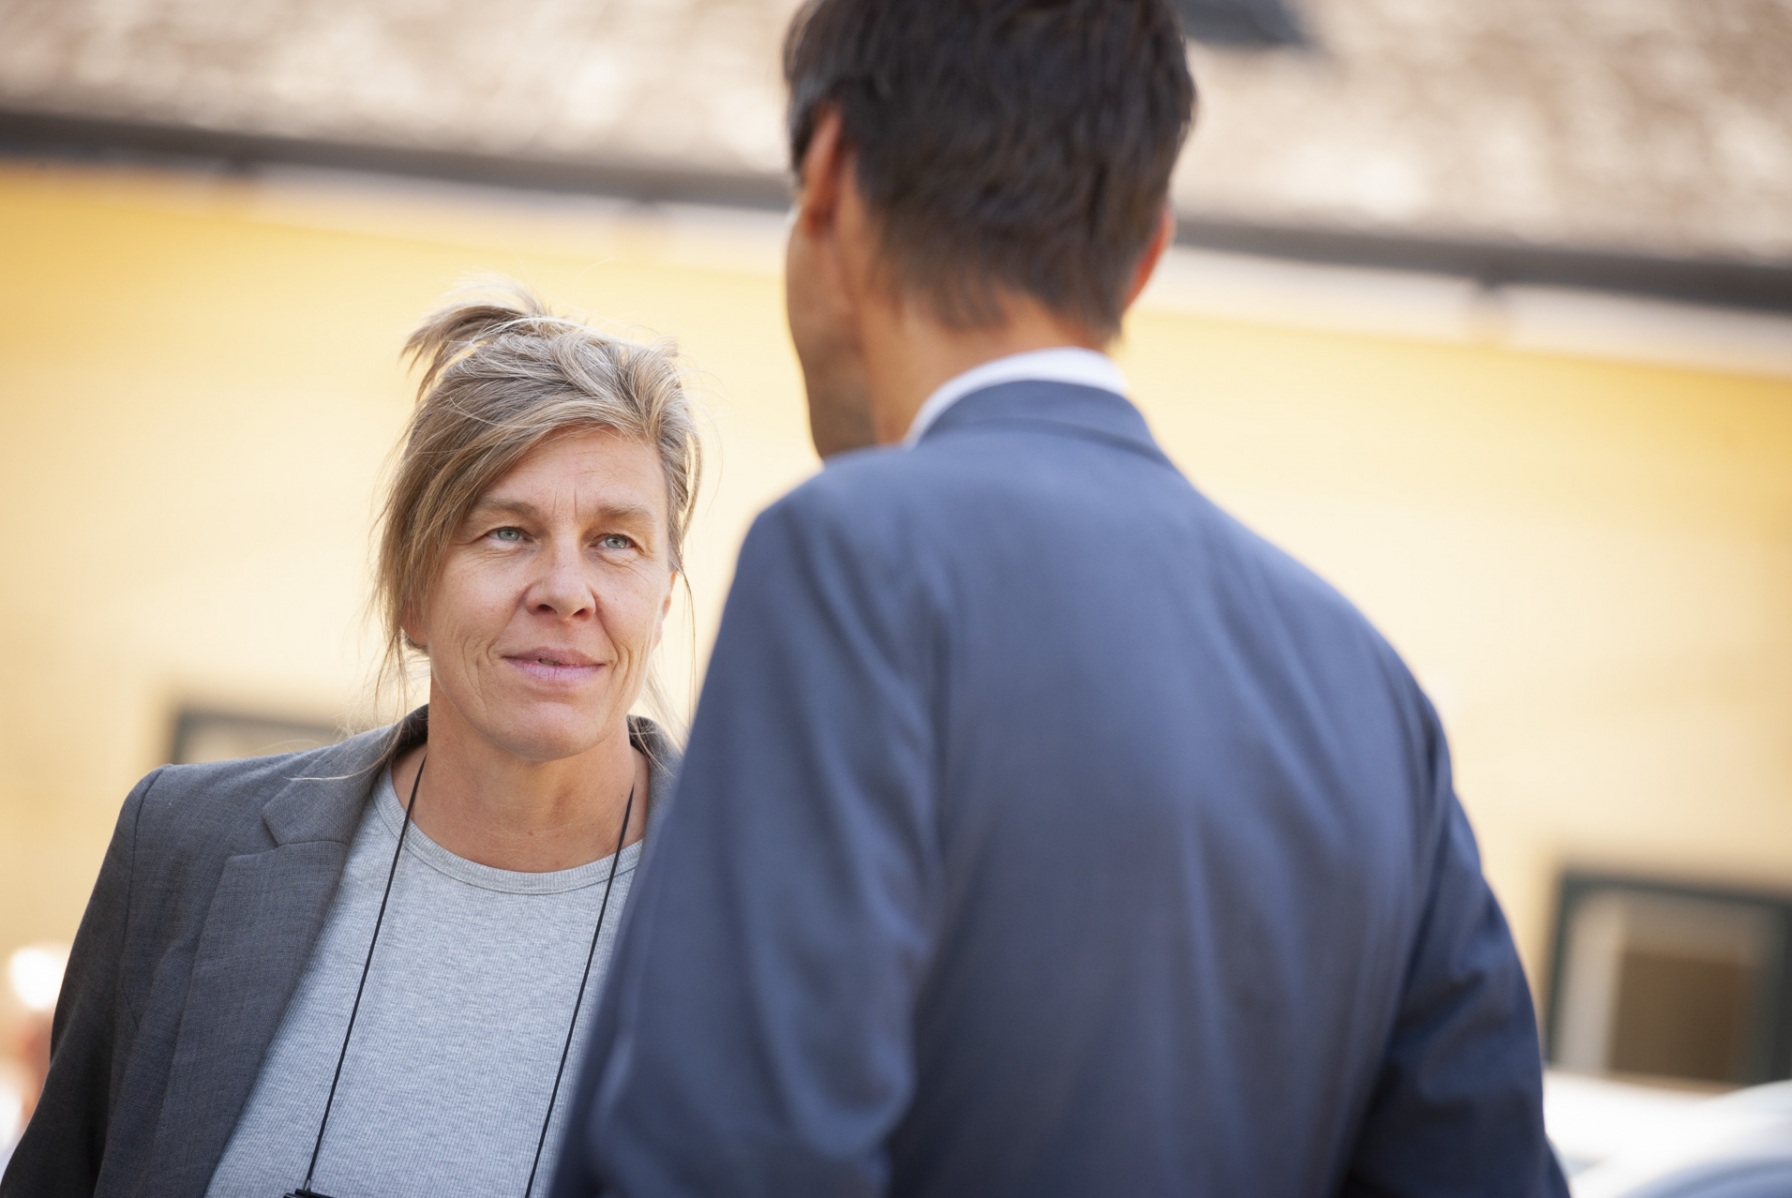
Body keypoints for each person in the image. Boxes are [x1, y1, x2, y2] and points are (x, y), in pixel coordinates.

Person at [553, 2, 1568, 1196]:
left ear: (827, 175)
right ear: (1146, 251)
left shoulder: (854, 559)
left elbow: (728, 1161)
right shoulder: (1371, 689)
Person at [1, 284, 702, 1197]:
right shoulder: (182, 848)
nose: (565, 590)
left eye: (616, 542)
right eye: (507, 531)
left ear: (663, 595)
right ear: (412, 589)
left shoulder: (780, 917)